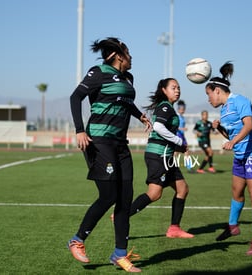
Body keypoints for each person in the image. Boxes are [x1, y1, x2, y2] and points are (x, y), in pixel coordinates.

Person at [68, 37, 151, 273]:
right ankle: (77, 240)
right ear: (117, 55)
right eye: (128, 52)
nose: (131, 56)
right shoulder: (99, 73)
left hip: (120, 144)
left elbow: (124, 101)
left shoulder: (128, 78)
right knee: (108, 195)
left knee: (125, 197)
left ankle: (120, 254)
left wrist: (140, 115)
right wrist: (79, 130)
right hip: (99, 141)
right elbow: (76, 98)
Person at [205, 62, 252, 255]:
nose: (208, 99)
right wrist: (220, 129)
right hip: (240, 155)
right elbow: (231, 137)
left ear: (217, 91)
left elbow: (248, 126)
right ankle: (232, 226)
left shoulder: (240, 100)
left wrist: (233, 143)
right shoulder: (224, 110)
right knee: (236, 192)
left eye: (208, 94)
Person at [129, 78, 194, 238]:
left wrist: (180, 147)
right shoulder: (165, 106)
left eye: (178, 87)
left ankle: (174, 229)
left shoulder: (168, 107)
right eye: (173, 87)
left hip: (166, 156)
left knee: (182, 189)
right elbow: (158, 127)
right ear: (164, 90)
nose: (177, 90)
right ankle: (121, 216)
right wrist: (179, 141)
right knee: (154, 194)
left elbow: (164, 134)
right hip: (159, 156)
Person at [176, 100, 193, 172]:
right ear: (178, 108)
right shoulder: (177, 117)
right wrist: (182, 128)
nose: (183, 110)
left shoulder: (182, 117)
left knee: (186, 151)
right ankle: (173, 166)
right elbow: (174, 126)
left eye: (184, 109)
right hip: (177, 135)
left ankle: (189, 167)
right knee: (175, 152)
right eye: (181, 109)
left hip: (182, 135)